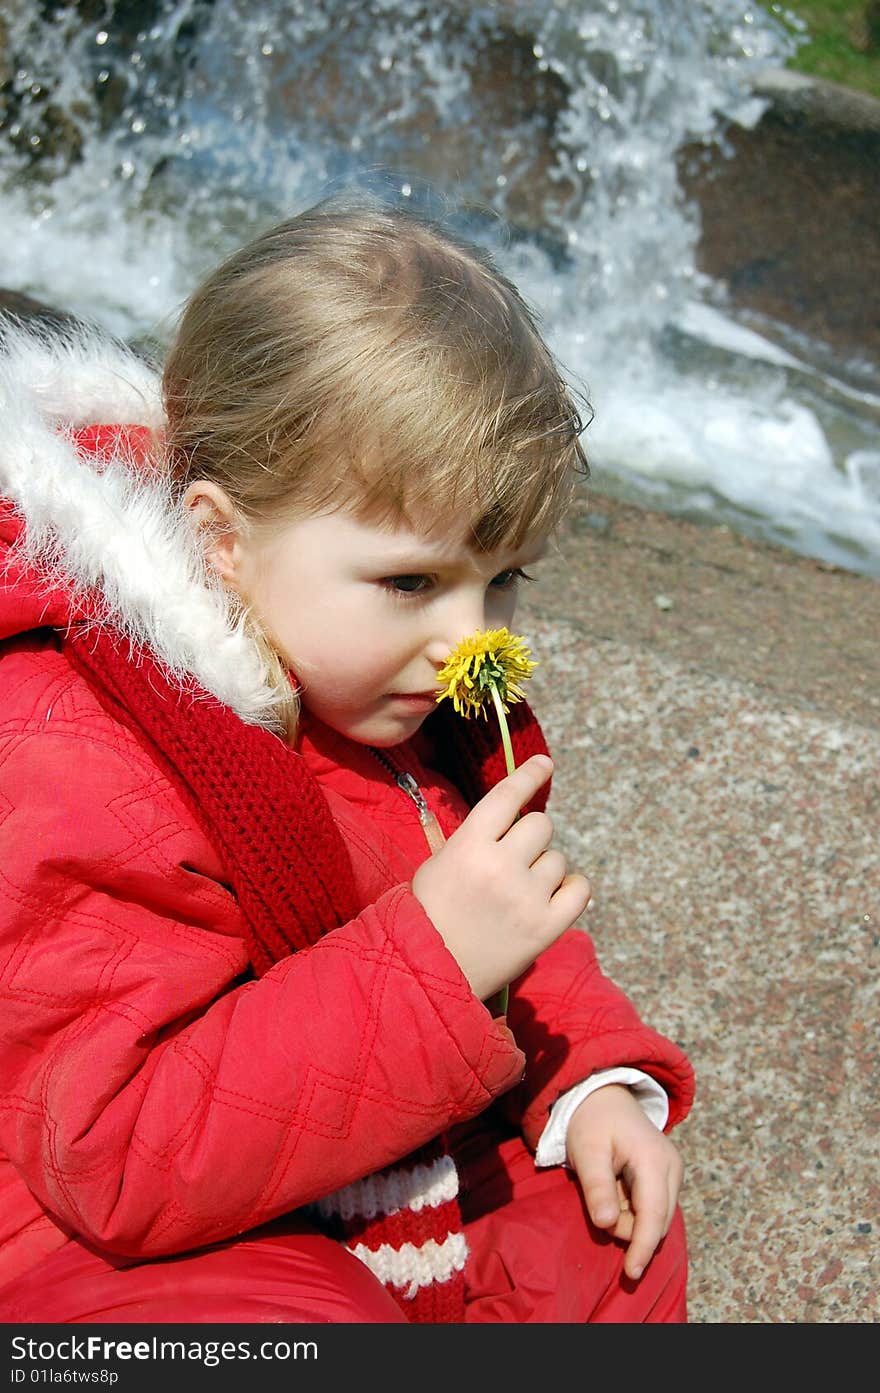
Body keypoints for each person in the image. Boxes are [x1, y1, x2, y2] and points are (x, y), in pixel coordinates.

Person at [0, 195, 694, 1325]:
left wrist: (595, 1080)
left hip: (354, 1159)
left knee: (611, 1237)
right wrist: (431, 953)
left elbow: (500, 915)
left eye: (503, 577)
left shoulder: (375, 684)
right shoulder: (85, 745)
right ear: (223, 539)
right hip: (79, 1250)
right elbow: (112, 1158)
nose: (475, 639)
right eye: (412, 583)